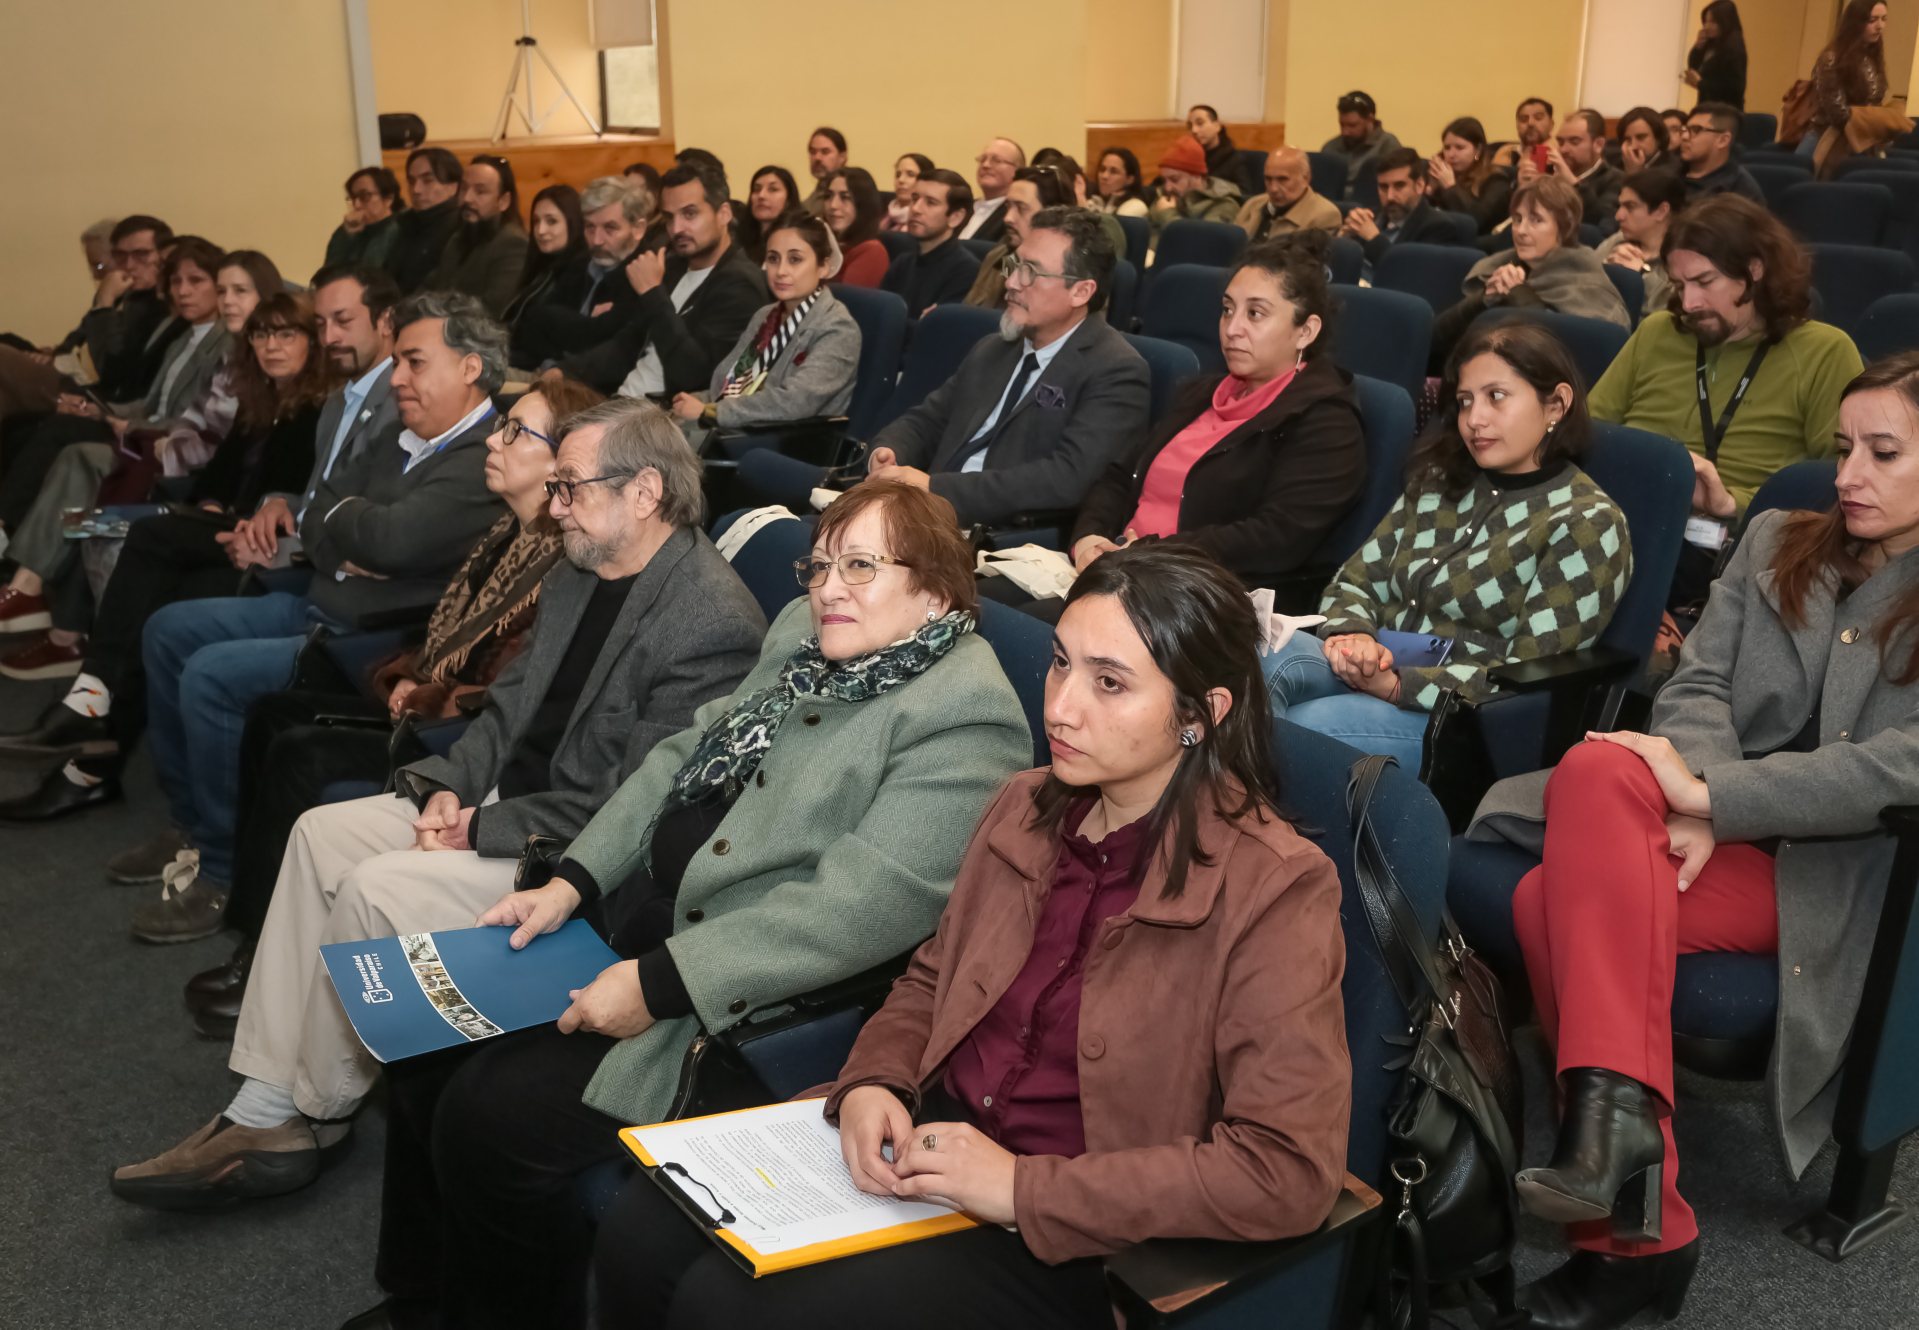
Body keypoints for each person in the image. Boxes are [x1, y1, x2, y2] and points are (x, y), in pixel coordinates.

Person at [592, 541, 1352, 1330]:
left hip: (1069, 1225)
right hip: (936, 1148)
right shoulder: (1024, 806)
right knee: (642, 1228)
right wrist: (877, 1081)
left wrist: (1021, 1188)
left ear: (1200, 715)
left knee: (729, 1308)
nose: (1060, 707)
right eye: (1060, 664)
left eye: (1109, 683)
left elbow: (1286, 1171)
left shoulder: (1274, 887)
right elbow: (931, 979)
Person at [339, 479, 1031, 1330]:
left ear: (935, 591)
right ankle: (424, 1299)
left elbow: (858, 907)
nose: (828, 588)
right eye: (819, 565)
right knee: (428, 1050)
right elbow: (679, 756)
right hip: (638, 926)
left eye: (861, 565)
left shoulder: (964, 719)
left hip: (741, 1001)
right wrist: (573, 879)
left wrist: (657, 984)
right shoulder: (805, 634)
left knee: (492, 1117)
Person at [110, 397, 769, 1205]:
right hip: (499, 804)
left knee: (374, 889)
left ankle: (303, 1114)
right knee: (317, 833)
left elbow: (635, 805)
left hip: (572, 863)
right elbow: (507, 711)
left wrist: (480, 827)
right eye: (554, 487)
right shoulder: (579, 568)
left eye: (570, 486)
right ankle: (267, 1102)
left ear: (644, 493)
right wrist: (448, 787)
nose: (555, 506)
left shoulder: (710, 621)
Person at [1471, 353, 1919, 1330]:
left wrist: (1716, 798)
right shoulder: (1775, 538)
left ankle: (1635, 1227)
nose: (1847, 474)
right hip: (1695, 827)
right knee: (1591, 779)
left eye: (1882, 453)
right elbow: (1696, 683)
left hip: (1834, 871)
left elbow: (1903, 765)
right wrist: (1695, 793)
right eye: (1842, 447)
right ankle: (1629, 1190)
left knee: (1549, 895)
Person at [180, 378, 606, 1031]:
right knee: (271, 716)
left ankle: (263, 956)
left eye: (514, 431)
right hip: (427, 708)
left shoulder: (564, 561)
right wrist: (407, 676)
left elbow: (506, 689)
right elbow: (442, 639)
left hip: (452, 734)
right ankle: (258, 941)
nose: (492, 441)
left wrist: (425, 692)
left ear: (562, 461)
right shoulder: (506, 532)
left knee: (299, 753)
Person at [60, 293, 507, 876]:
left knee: (209, 674)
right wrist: (348, 540)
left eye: (414, 362)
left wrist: (349, 526)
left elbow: (389, 541)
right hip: (320, 602)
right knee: (167, 628)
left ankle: (219, 866)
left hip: (370, 641)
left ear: (469, 368)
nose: (397, 378)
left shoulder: (482, 455)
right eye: (397, 361)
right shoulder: (403, 432)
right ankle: (189, 825)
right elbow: (317, 510)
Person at [0, 266, 403, 810]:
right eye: (262, 336)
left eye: (287, 334)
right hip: (205, 518)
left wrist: (223, 494)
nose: (272, 347)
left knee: (131, 535)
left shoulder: (319, 406)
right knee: (90, 526)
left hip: (227, 528)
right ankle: (70, 653)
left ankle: (85, 698)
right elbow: (218, 474)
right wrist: (214, 501)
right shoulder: (260, 398)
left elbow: (226, 469)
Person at [1263, 322, 1630, 768]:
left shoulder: (1587, 522)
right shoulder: (1440, 480)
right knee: (1251, 664)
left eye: (1496, 396)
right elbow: (1355, 581)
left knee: (1300, 728)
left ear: (1556, 404)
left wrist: (1400, 685)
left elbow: (1529, 675)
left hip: (1460, 719)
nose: (1474, 419)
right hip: (1381, 659)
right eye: (1465, 401)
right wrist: (1354, 635)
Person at [0, 250, 282, 681]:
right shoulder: (239, 361)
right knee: (86, 521)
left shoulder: (273, 374)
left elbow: (216, 451)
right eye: (224, 290)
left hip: (211, 503)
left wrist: (153, 450)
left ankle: (98, 666)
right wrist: (168, 459)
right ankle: (66, 636)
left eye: (240, 291)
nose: (228, 301)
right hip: (202, 495)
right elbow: (209, 441)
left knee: (101, 507)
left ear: (269, 297)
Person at [1591, 194, 1863, 607]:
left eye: (1704, 282)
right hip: (1619, 516)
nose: (1689, 303)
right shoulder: (1657, 331)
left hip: (1734, 546)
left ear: (1754, 270)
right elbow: (1588, 432)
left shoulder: (1824, 351)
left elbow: (1843, 484)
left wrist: (1731, 503)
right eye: (1679, 285)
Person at [1062, 237, 1366, 604]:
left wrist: (1146, 553)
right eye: (1227, 309)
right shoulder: (1201, 394)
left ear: (1306, 331)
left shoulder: (1327, 422)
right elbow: (1120, 477)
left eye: (1255, 314)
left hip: (1194, 597)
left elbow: (1276, 538)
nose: (1232, 328)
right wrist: (1089, 538)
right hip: (1122, 573)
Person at [867, 208, 1151, 528]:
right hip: (923, 517)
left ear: (1080, 291)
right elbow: (928, 420)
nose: (1012, 281)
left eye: (1030, 272)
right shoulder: (994, 348)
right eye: (1014, 265)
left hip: (999, 533)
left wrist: (935, 488)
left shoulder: (1116, 370)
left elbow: (1066, 479)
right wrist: (888, 452)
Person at [0, 236, 234, 566]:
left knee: (74, 451)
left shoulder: (226, 344)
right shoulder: (183, 338)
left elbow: (194, 420)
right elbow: (149, 403)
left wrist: (130, 424)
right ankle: (29, 569)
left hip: (168, 448)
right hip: (144, 435)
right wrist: (102, 412)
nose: (183, 291)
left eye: (196, 281)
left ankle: (25, 565)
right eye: (176, 281)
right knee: (51, 437)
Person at [549, 162, 769, 400]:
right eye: (669, 217)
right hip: (622, 402)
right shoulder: (672, 267)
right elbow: (627, 345)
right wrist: (566, 372)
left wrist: (653, 293)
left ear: (724, 214)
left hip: (664, 415)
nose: (677, 228)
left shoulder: (740, 286)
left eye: (690, 214)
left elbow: (693, 375)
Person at [670, 211, 861, 445]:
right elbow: (728, 385)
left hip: (788, 445)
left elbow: (795, 401)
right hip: (735, 432)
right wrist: (692, 403)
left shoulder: (838, 328)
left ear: (823, 266)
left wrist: (709, 411)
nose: (781, 271)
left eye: (795, 259)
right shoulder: (766, 315)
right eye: (773, 258)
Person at [1430, 175, 1629, 370]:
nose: (1520, 230)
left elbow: (1576, 359)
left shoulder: (1588, 284)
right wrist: (1484, 299)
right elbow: (1435, 341)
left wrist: (1520, 295)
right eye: (1517, 219)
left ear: (1565, 227)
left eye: (1536, 220)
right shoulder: (1497, 266)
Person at [511, 179, 659, 371]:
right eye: (590, 227)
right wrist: (587, 324)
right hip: (545, 367)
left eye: (610, 228)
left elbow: (609, 350)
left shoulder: (646, 274)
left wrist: (569, 326)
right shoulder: (583, 262)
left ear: (638, 229)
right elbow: (534, 320)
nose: (597, 240)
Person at [427, 155, 530, 319]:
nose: (467, 198)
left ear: (503, 201)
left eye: (480, 192)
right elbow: (432, 286)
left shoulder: (513, 243)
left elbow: (492, 308)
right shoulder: (458, 238)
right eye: (464, 189)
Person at [1806, 0, 1895, 172]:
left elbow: (1875, 102)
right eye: (1872, 20)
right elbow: (1839, 113)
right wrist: (1876, 121)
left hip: (1862, 141)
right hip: (1829, 140)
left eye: (1883, 19)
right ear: (1856, 22)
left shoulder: (1872, 55)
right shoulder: (1831, 58)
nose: (1880, 26)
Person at [965, 166, 1071, 309]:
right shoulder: (998, 257)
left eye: (1021, 209)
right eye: (1008, 207)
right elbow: (969, 312)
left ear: (1054, 216)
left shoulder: (1071, 271)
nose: (1008, 218)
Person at [1339, 148, 1460, 270]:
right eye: (1383, 187)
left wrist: (1374, 238)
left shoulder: (1439, 227)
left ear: (1419, 185)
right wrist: (1345, 240)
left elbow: (1408, 272)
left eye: (1399, 186)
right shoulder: (1373, 215)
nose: (1390, 196)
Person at [881, 169, 979, 319]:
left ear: (955, 217)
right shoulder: (903, 263)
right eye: (915, 199)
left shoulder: (966, 271)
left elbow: (936, 330)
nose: (915, 209)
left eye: (930, 203)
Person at [500, 184, 586, 352]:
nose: (540, 230)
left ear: (573, 222)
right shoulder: (541, 267)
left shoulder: (580, 273)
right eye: (536, 221)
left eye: (551, 221)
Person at [1597, 169, 1685, 320]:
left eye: (1630, 207)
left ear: (1661, 211)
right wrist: (1605, 269)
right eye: (1620, 206)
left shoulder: (1682, 259)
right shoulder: (1618, 240)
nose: (1618, 216)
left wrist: (1639, 277)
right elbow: (1580, 283)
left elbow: (1664, 317)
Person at [1146, 134, 1243, 255]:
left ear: (1197, 177)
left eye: (1174, 179)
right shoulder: (1167, 197)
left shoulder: (1224, 204)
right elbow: (1148, 236)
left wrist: (1167, 215)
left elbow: (1199, 245)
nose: (1167, 187)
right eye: (1164, 180)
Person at [387, 147, 465, 295]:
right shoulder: (404, 222)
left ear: (453, 187)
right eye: (411, 182)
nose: (416, 190)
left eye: (428, 181)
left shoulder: (462, 228)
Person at [1525, 110, 1622, 226]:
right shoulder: (1548, 173)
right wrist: (1523, 186)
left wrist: (1572, 183)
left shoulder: (1616, 180)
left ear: (1598, 145)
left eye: (1574, 142)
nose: (1564, 149)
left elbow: (1598, 223)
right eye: (1560, 142)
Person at [1233, 145, 1341, 242]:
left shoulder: (1324, 216)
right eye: (1268, 179)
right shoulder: (1252, 205)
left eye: (1282, 179)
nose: (1273, 188)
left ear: (1305, 179)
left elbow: (1301, 257)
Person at [1428, 117, 1514, 235]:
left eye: (1460, 148)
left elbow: (1476, 222)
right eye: (1447, 148)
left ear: (1478, 150)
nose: (1451, 154)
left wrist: (1450, 187)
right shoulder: (1444, 178)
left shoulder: (1496, 181)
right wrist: (1430, 191)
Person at [1318, 90, 1402, 200]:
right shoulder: (1330, 147)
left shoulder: (1388, 145)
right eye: (1342, 125)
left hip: (1369, 205)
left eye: (1352, 125)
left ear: (1370, 120)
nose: (1345, 132)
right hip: (1331, 205)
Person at [1677, 103, 1765, 204]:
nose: (1684, 136)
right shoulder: (1670, 172)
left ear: (1723, 140)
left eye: (1695, 130)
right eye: (1685, 130)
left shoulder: (1741, 191)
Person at [324, 167, 405, 269]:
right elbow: (329, 271)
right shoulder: (353, 230)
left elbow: (371, 270)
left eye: (365, 196)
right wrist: (345, 234)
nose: (357, 205)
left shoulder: (399, 229)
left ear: (388, 199)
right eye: (353, 198)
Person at [820, 166, 888, 287]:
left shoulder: (872, 251)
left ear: (864, 205)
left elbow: (844, 298)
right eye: (828, 196)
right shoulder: (824, 244)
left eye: (845, 197)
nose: (833, 205)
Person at [960, 137, 1026, 243]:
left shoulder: (1017, 216)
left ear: (1017, 171)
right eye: (982, 159)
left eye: (997, 160)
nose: (985, 165)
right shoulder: (963, 208)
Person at [1687, 1, 1748, 110]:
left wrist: (1700, 84)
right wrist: (1698, 48)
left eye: (1712, 22)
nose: (1706, 26)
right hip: (1706, 107)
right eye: (1705, 21)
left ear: (1725, 22)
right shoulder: (1711, 44)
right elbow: (1695, 69)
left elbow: (1734, 89)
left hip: (1726, 112)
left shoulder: (1734, 49)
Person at [739, 164, 801, 261]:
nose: (761, 195)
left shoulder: (799, 239)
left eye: (773, 189)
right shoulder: (739, 241)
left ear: (789, 199)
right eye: (756, 190)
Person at [1186, 102, 1249, 191]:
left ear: (1217, 126)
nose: (1194, 130)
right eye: (1190, 125)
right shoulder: (1189, 156)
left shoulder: (1233, 158)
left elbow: (1244, 192)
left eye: (1200, 123)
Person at [1493, 97, 1557, 171]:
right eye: (1524, 119)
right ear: (1517, 125)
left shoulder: (1561, 153)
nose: (1530, 123)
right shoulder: (1507, 154)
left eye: (1538, 117)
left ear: (1551, 124)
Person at [1089, 147, 1152, 218]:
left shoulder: (1135, 206)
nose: (1104, 176)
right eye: (1102, 169)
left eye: (1113, 172)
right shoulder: (1092, 202)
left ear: (1129, 179)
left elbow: (1109, 224)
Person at [800, 126, 849, 215]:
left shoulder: (853, 196)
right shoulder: (806, 205)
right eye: (813, 152)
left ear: (842, 157)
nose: (817, 157)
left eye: (825, 151)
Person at [1615, 106, 1679, 175]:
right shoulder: (1619, 164)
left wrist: (1633, 173)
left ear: (1658, 138)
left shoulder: (1672, 169)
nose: (1633, 146)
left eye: (1641, 137)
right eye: (1627, 140)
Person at [885, 152, 935, 230]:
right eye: (898, 175)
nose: (901, 180)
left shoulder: (928, 225)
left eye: (910, 175)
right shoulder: (880, 215)